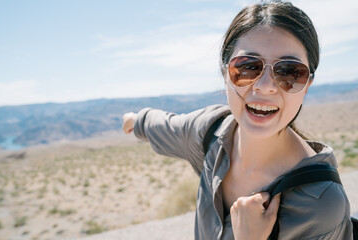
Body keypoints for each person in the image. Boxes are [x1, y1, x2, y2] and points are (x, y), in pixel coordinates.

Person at [122, 1, 353, 239]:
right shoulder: (209, 132)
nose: (265, 86)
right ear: (225, 74)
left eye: (289, 72)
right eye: (248, 67)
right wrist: (134, 121)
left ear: (307, 86)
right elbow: (162, 125)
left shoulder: (321, 205)